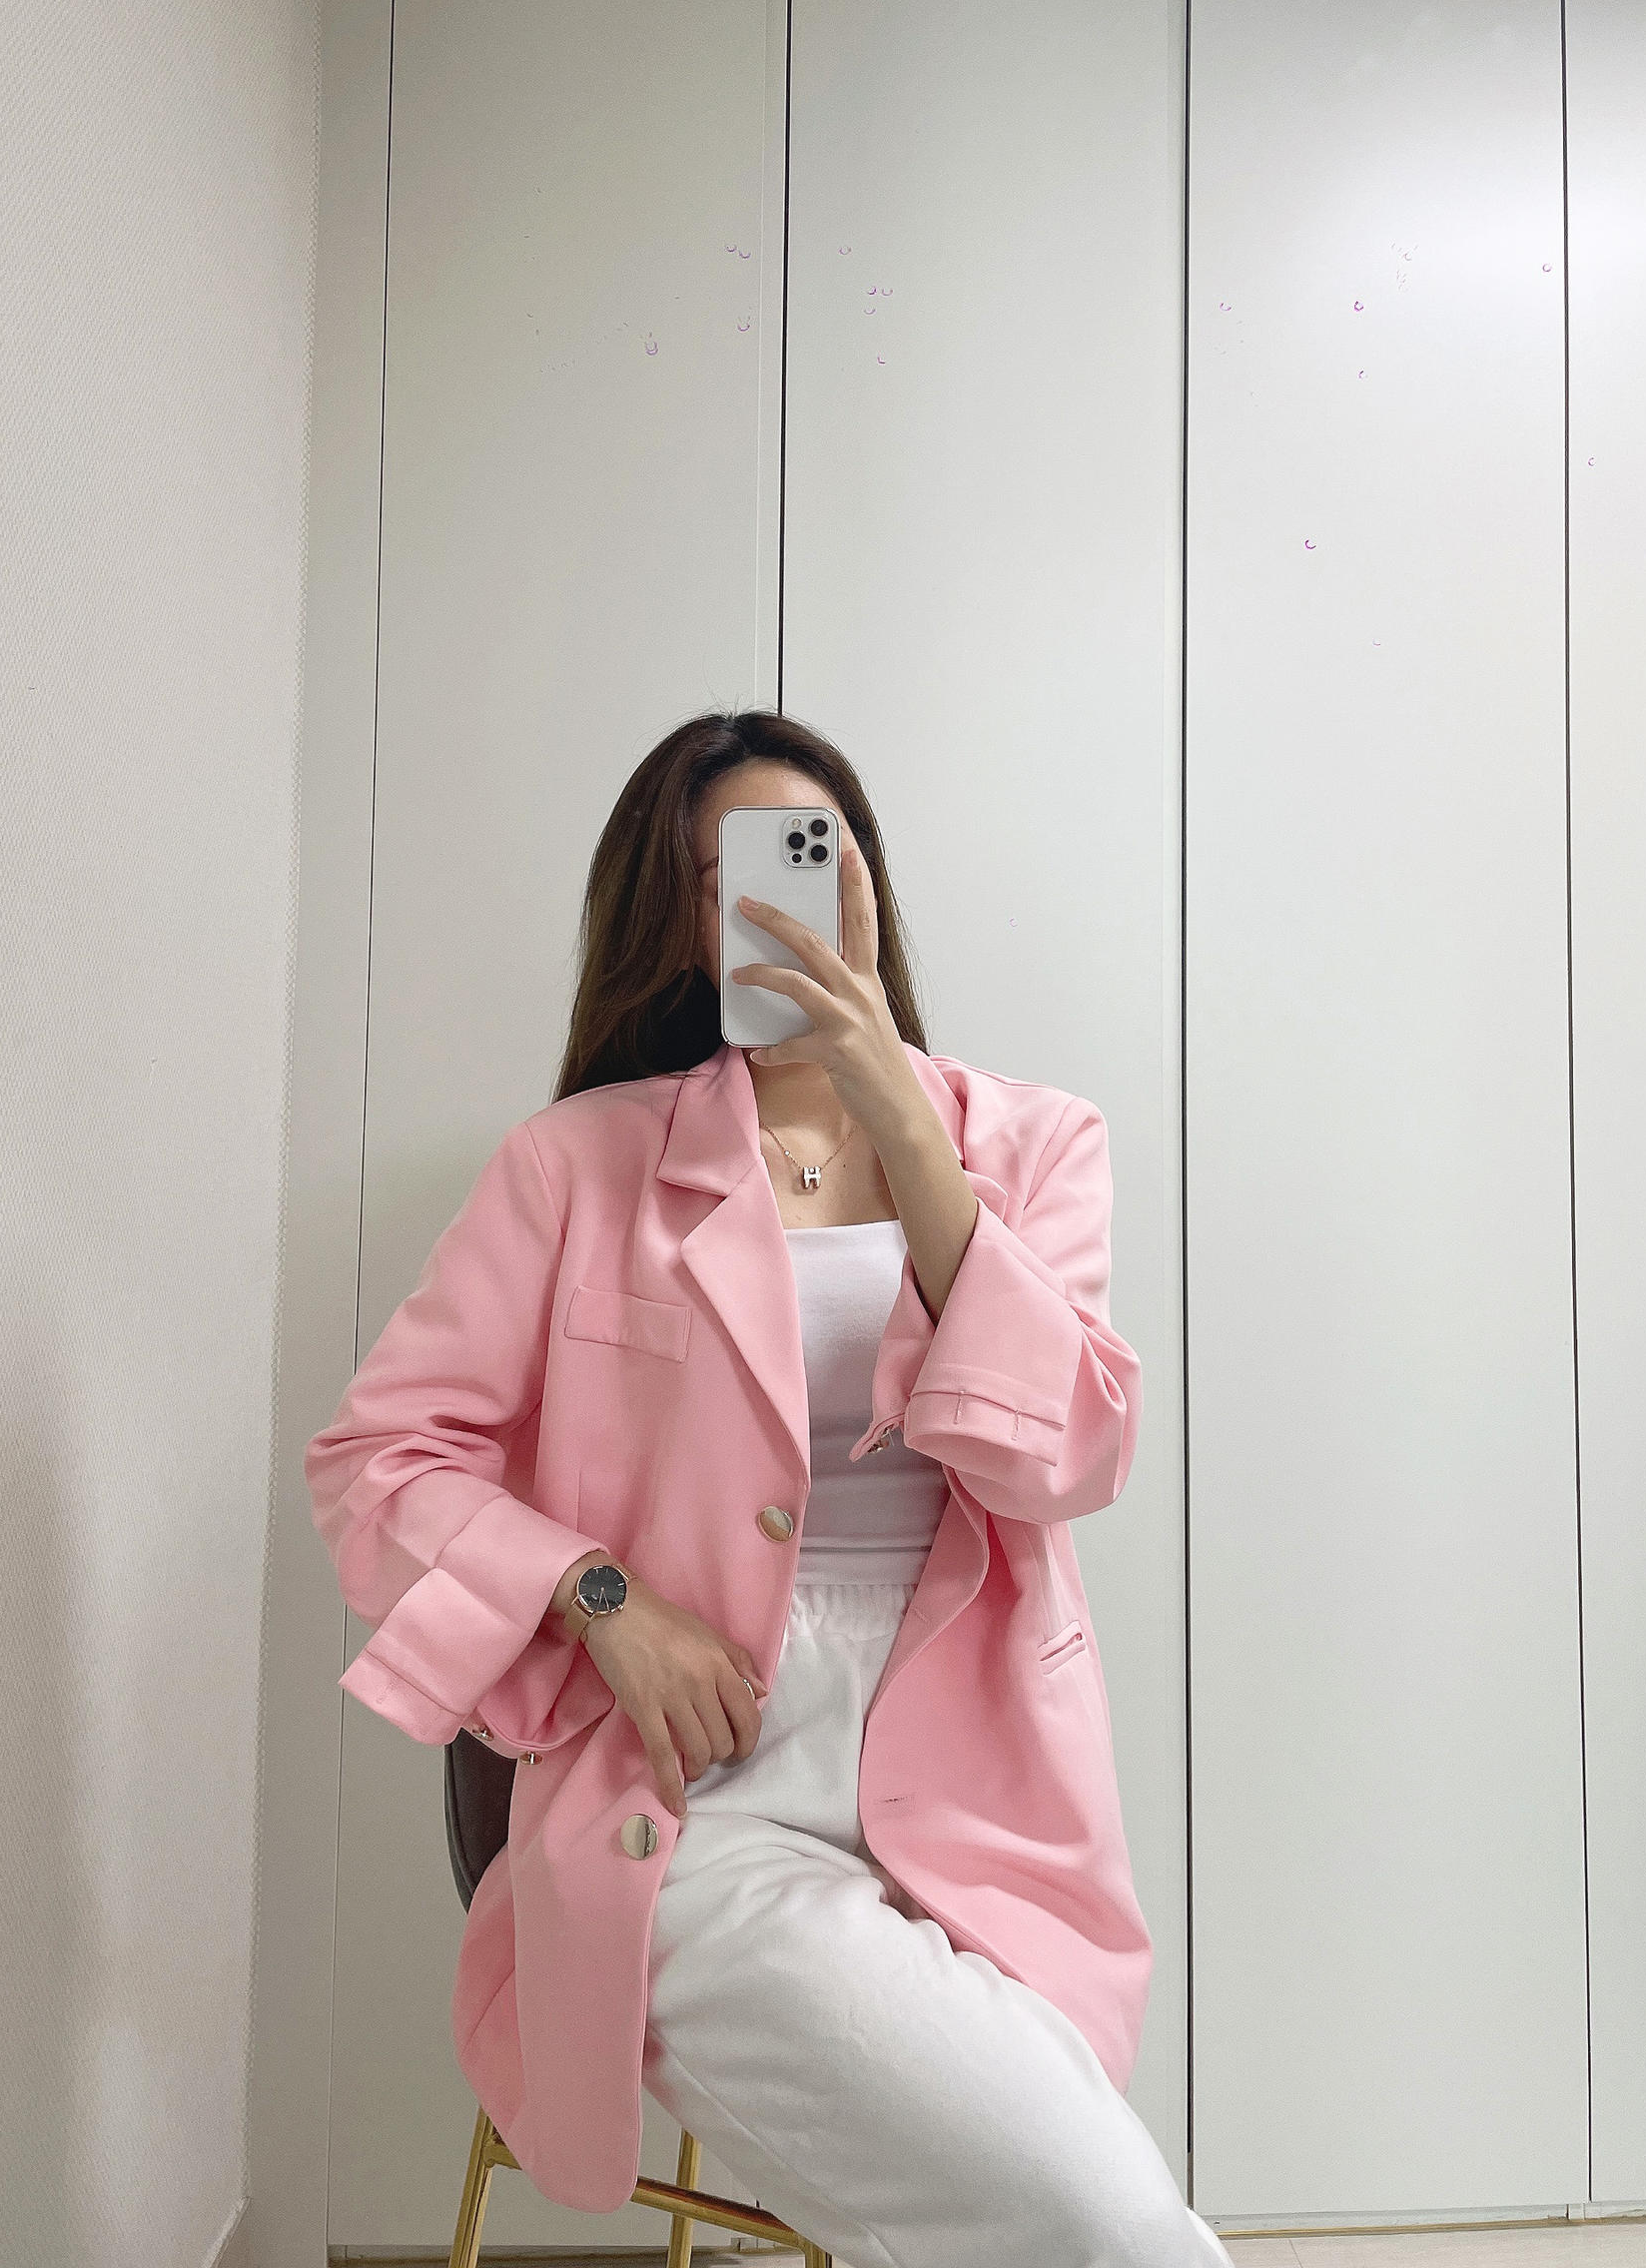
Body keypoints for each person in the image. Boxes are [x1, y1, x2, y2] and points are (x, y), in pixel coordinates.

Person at [304, 709, 1233, 2268]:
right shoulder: (576, 1164)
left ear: (866, 879)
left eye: (815, 852)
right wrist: (600, 1599)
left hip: (986, 1783)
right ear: (677, 920)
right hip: (690, 1791)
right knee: (1100, 2221)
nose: (781, 896)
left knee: (1055, 2201)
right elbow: (377, 1460)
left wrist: (898, 1117)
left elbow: (1067, 1451)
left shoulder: (1033, 1144)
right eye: (725, 871)